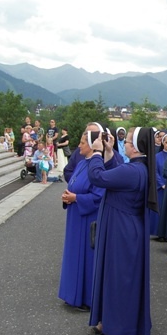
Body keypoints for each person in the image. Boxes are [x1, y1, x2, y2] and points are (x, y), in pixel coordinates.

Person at [87, 127, 157, 335]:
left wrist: (97, 152)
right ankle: (107, 320)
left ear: (135, 147)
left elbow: (98, 177)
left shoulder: (134, 171)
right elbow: (115, 172)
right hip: (123, 228)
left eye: (127, 141)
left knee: (122, 280)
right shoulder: (137, 168)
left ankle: (124, 330)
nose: (124, 144)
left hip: (123, 231)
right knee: (113, 276)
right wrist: (109, 152)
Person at [58, 127, 106, 312]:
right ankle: (71, 294)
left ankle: (85, 298)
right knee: (72, 255)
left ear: (93, 145)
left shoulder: (97, 165)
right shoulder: (80, 163)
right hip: (75, 215)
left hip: (87, 218)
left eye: (83, 142)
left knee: (85, 258)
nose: (79, 146)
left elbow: (99, 195)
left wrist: (76, 198)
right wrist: (68, 195)